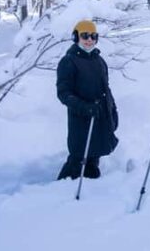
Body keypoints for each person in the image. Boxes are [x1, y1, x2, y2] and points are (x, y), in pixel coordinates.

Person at [56, 20, 119, 180]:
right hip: (81, 118)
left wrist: (112, 109)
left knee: (95, 152)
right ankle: (63, 187)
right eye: (85, 35)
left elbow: (106, 88)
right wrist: (84, 107)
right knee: (79, 154)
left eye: (93, 36)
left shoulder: (99, 60)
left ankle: (92, 188)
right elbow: (63, 93)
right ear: (76, 37)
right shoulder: (68, 61)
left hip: (100, 115)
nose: (89, 39)